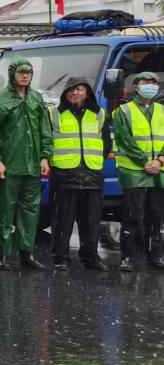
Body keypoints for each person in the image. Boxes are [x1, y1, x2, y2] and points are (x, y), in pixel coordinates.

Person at [0, 59, 52, 271]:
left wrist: (44, 156)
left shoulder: (36, 98)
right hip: (9, 164)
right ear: (12, 74)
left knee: (30, 211)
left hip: (32, 165)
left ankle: (27, 253)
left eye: (28, 73)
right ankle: (3, 256)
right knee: (5, 210)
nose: (25, 76)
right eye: (21, 72)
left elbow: (45, 130)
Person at [48, 78, 109, 271]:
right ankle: (61, 258)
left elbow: (106, 142)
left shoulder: (99, 114)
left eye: (79, 89)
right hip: (65, 173)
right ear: (65, 94)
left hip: (92, 172)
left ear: (87, 92)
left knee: (91, 220)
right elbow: (47, 140)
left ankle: (90, 257)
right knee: (63, 219)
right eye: (70, 90)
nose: (74, 93)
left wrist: (95, 162)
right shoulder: (54, 114)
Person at [112, 71, 164, 272]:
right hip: (134, 170)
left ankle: (156, 255)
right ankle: (127, 257)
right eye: (145, 82)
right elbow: (125, 140)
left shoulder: (161, 110)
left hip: (158, 169)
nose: (149, 86)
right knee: (133, 215)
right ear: (136, 87)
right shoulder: (123, 111)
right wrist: (145, 162)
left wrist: (158, 160)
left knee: (157, 215)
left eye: (153, 83)